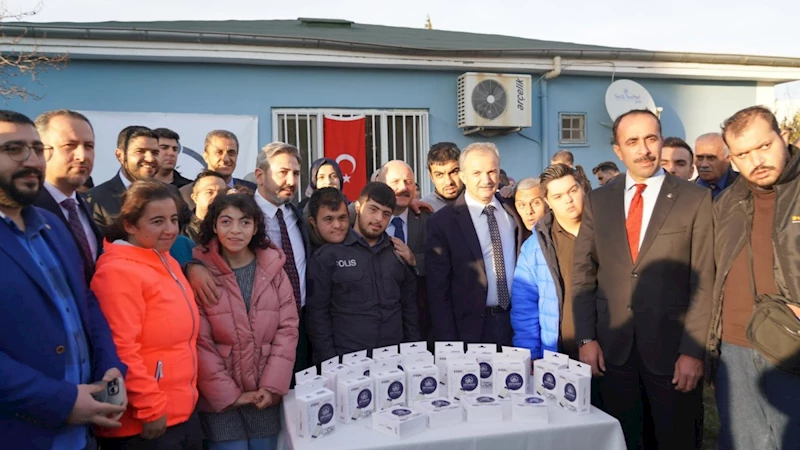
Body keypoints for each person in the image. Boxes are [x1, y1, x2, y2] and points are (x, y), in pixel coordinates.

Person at [572, 109, 713, 450]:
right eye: (632, 141)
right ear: (618, 150)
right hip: (612, 352)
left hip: (672, 355)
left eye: (650, 139)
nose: (644, 149)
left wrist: (693, 351)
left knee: (676, 441)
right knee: (623, 440)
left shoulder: (694, 199)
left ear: (661, 141)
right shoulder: (598, 200)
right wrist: (586, 339)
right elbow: (583, 275)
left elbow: (705, 279)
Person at [0, 110, 127, 450]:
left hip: (81, 435)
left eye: (36, 149)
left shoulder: (52, 225)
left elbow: (84, 302)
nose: (31, 161)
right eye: (13, 149)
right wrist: (60, 400)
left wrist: (110, 365)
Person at [705, 106, 800, 450]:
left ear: (784, 138)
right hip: (734, 350)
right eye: (744, 154)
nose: (756, 160)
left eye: (764, 146)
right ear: (731, 159)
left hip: (792, 346)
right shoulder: (725, 204)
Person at [91, 180, 201, 449]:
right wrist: (150, 407)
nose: (170, 229)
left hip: (178, 413)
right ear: (130, 225)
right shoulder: (118, 272)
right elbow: (121, 348)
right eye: (157, 221)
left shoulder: (165, 259)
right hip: (144, 424)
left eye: (173, 219)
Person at [193, 193, 299, 450]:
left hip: (264, 393)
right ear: (214, 226)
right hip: (220, 403)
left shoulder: (274, 269)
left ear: (255, 227)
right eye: (226, 222)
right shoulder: (201, 273)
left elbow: (287, 330)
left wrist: (272, 386)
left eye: (244, 222)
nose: (235, 230)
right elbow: (200, 342)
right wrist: (230, 395)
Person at [307, 182, 419, 363]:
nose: (378, 219)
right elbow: (317, 316)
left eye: (386, 214)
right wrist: (329, 363)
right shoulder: (328, 256)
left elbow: (410, 309)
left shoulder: (398, 252)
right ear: (358, 207)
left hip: (394, 359)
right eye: (373, 209)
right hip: (347, 361)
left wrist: (412, 353)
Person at [426, 143, 525, 346]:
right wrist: (449, 344)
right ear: (463, 177)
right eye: (477, 173)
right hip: (470, 330)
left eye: (491, 172)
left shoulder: (514, 208)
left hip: (516, 322)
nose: (486, 180)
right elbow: (438, 291)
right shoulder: (442, 222)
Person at [511, 164, 584, 360]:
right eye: (558, 196)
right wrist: (530, 356)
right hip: (557, 354)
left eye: (572, 191)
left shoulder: (603, 233)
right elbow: (525, 308)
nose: (568, 200)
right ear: (549, 201)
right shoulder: (533, 247)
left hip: (610, 350)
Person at [253, 142, 311, 374]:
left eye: (296, 174)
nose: (291, 181)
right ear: (260, 175)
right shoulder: (244, 216)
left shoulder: (297, 216)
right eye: (283, 173)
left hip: (302, 324)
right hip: (262, 330)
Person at [33, 109, 103, 283]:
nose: (82, 156)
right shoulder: (24, 210)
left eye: (89, 146)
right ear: (41, 150)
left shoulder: (85, 207)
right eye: (69, 146)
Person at [84, 125, 187, 234]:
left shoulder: (171, 192)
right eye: (140, 151)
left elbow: (189, 235)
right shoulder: (95, 199)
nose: (150, 159)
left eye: (155, 153)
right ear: (120, 156)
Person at [379, 160, 432, 339]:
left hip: (419, 320)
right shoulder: (364, 218)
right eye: (395, 182)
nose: (403, 187)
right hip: (378, 322)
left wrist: (414, 259)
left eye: (408, 182)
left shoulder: (427, 219)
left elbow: (440, 261)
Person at [180, 130, 257, 210]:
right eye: (219, 152)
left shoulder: (252, 191)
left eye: (231, 153)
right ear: (206, 156)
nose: (226, 159)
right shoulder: (184, 194)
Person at [184, 170, 228, 242]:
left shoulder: (232, 232)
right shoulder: (183, 235)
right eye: (210, 192)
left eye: (222, 193)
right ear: (195, 198)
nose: (216, 197)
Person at [694, 132, 738, 199]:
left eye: (711, 158)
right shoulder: (685, 191)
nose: (704, 165)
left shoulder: (746, 188)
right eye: (700, 158)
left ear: (728, 158)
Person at [421, 142, 462, 212]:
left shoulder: (478, 201)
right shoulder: (423, 209)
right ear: (431, 177)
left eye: (453, 172)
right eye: (439, 175)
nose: (448, 182)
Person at [307, 187, 350, 253]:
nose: (337, 225)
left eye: (342, 218)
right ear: (313, 222)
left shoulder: (361, 246)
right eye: (329, 219)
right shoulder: (302, 250)